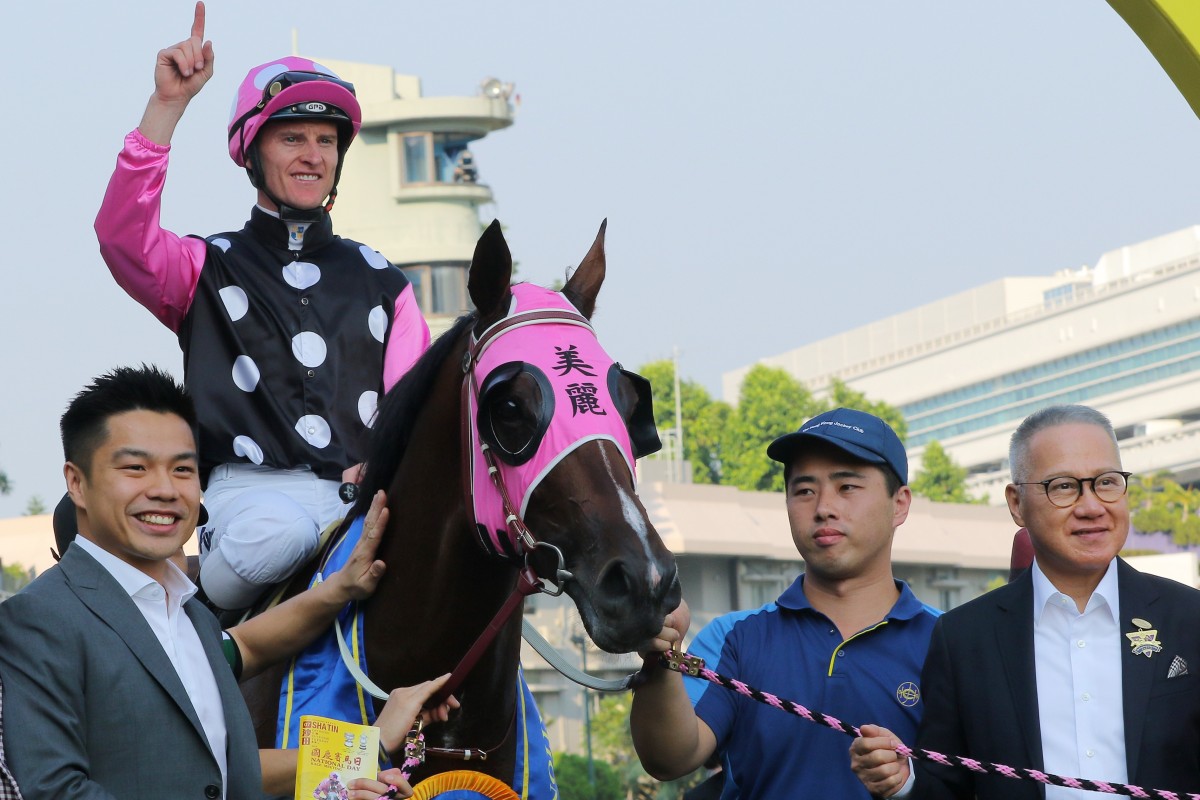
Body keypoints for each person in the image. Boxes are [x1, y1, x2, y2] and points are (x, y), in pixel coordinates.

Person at [94, 2, 430, 612]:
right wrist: (167, 106)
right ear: (252, 152)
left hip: (359, 499)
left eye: (326, 140)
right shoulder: (205, 266)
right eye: (292, 138)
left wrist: (385, 468)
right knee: (282, 535)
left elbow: (416, 409)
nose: (313, 155)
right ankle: (193, 617)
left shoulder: (386, 283)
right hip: (248, 506)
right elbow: (123, 239)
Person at [0, 366, 450, 800]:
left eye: (182, 469)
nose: (165, 490)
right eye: (136, 468)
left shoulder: (187, 614)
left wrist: (367, 749)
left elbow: (229, 764)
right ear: (77, 483)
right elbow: (53, 790)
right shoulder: (39, 619)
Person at [850, 404, 1200, 799]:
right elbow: (949, 782)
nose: (1091, 507)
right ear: (1017, 504)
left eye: (1107, 482)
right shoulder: (964, 638)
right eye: (1063, 486)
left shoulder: (1189, 618)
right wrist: (905, 782)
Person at [631, 408, 941, 799]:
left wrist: (909, 782)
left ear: (899, 504)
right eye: (804, 490)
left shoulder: (951, 642)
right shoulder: (733, 638)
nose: (823, 507)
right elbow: (670, 758)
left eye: (847, 487)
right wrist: (661, 657)